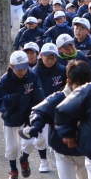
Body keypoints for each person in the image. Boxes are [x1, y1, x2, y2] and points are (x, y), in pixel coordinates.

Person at [22, 61, 91, 179]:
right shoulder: (58, 98)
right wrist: (35, 126)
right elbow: (39, 112)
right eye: (80, 84)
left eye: (87, 83)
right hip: (63, 152)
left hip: (87, 153)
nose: (83, 88)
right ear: (69, 81)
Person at [0, 50, 44, 179]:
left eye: (24, 68)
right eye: (18, 70)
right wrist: (9, 99)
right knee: (12, 147)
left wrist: (35, 113)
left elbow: (39, 97)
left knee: (29, 143)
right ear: (11, 67)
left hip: (27, 116)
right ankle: (13, 170)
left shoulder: (32, 76)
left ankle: (24, 159)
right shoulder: (4, 80)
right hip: (10, 117)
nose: (22, 72)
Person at [30, 43, 67, 172]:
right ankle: (43, 160)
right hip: (42, 108)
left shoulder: (62, 70)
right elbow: (35, 93)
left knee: (58, 134)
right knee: (41, 139)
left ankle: (54, 151)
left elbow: (66, 87)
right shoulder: (34, 72)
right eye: (47, 57)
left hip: (59, 108)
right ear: (40, 56)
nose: (50, 61)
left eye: (53, 57)